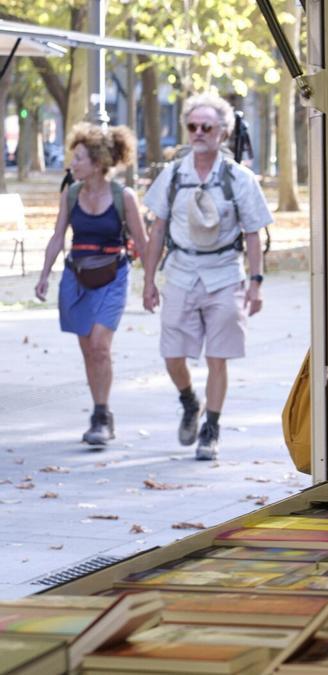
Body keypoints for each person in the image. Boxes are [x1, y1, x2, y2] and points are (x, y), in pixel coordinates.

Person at [142, 93, 272, 461]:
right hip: (180, 273)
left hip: (224, 275)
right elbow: (157, 230)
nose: (198, 132)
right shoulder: (172, 175)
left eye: (207, 127)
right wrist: (148, 281)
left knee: (218, 357)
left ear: (223, 133)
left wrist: (256, 283)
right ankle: (189, 401)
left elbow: (252, 233)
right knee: (171, 355)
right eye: (192, 126)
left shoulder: (239, 179)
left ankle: (211, 428)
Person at [34, 123, 147, 447]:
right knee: (88, 350)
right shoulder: (71, 194)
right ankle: (100, 409)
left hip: (113, 275)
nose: (73, 164)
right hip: (77, 277)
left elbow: (143, 241)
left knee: (99, 345)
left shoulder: (123, 197)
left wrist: (151, 282)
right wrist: (44, 275)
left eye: (79, 158)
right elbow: (58, 236)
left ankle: (101, 415)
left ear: (97, 163)